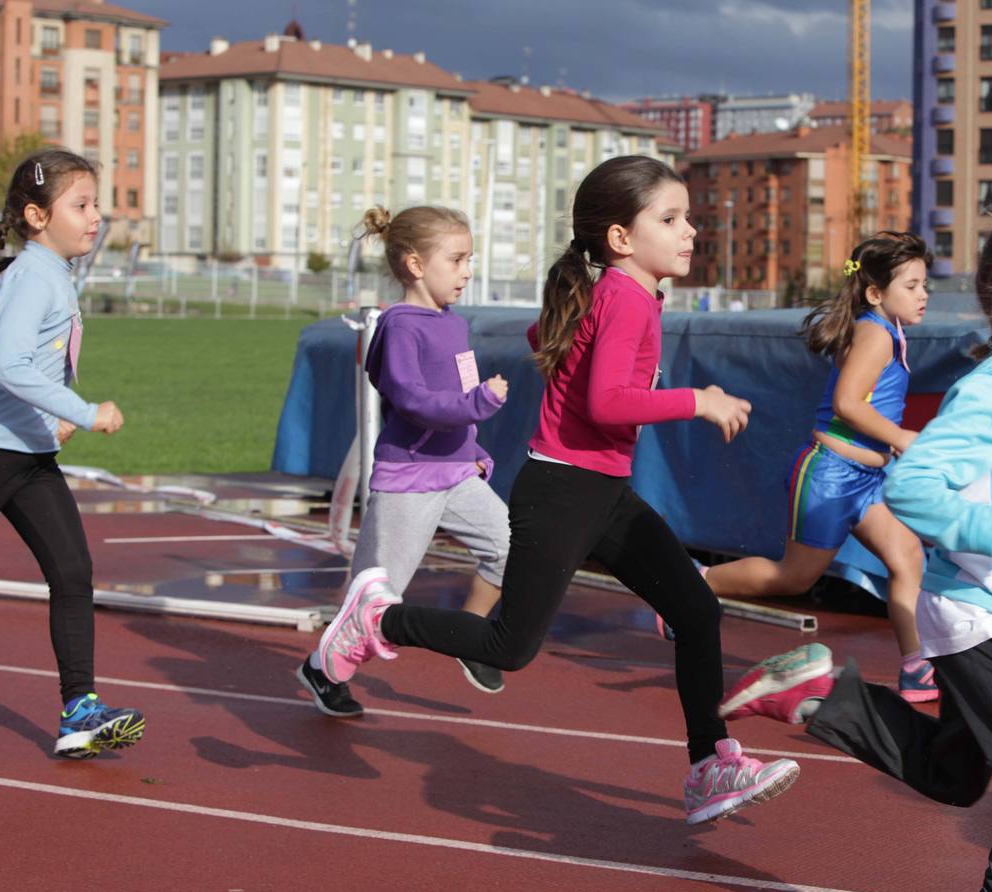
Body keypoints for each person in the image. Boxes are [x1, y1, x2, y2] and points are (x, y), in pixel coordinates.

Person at [313, 156, 799, 824]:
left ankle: (711, 765)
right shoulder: (625, 295)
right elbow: (606, 403)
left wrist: (579, 335)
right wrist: (697, 400)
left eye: (689, 217)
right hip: (565, 492)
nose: (691, 231)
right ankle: (380, 618)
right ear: (621, 239)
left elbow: (550, 337)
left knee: (695, 610)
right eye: (671, 218)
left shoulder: (615, 293)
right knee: (510, 647)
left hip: (603, 492)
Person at [719, 193, 992, 892]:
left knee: (953, 772)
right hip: (977, 613)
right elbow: (912, 489)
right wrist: (990, 528)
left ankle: (822, 696)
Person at [700, 232, 936, 701]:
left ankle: (916, 668)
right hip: (830, 475)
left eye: (924, 283)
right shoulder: (874, 334)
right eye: (911, 285)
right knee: (795, 577)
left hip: (865, 480)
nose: (923, 294)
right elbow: (848, 404)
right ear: (875, 292)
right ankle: (699, 584)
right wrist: (901, 436)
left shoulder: (885, 329)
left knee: (907, 556)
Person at [297, 205, 512, 717]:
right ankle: (323, 669)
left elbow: (455, 395)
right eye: (457, 260)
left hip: (457, 474)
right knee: (376, 599)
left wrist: (475, 447)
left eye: (470, 260)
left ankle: (469, 634)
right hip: (410, 480)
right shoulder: (399, 327)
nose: (467, 272)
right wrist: (478, 403)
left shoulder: (455, 325)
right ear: (415, 264)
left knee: (512, 549)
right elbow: (413, 400)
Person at [0, 149, 140, 759]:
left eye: (96, 203)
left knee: (72, 575)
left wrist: (51, 414)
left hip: (27, 456)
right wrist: (83, 410)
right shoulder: (31, 273)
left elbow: (24, 365)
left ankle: (80, 710)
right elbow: (7, 364)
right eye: (80, 205)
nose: (95, 216)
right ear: (35, 215)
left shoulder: (51, 273)